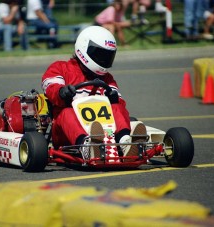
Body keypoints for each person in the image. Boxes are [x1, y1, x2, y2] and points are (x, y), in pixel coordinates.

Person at [41, 26, 146, 161]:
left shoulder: (107, 79)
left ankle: (126, 143)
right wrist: (62, 92)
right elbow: (50, 87)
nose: (104, 60)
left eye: (108, 56)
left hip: (105, 131)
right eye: (100, 55)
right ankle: (87, 147)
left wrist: (114, 99)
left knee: (116, 106)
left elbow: (120, 105)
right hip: (65, 133)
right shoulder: (61, 68)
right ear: (84, 48)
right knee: (66, 112)